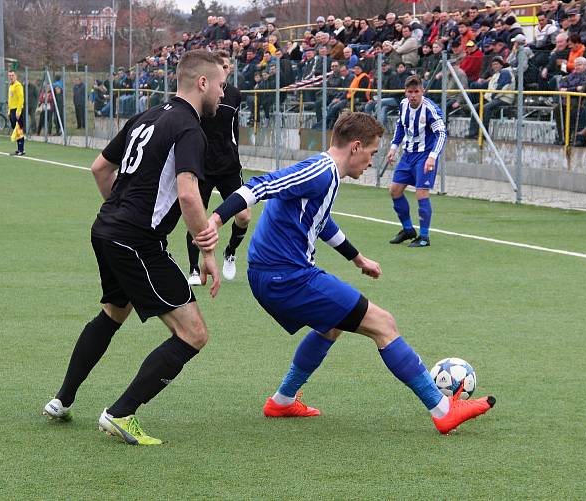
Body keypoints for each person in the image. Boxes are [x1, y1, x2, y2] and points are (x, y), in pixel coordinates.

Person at [204, 111, 494, 435]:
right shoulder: (319, 171)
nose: (372, 162)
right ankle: (442, 410)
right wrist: (215, 220)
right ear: (356, 147)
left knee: (332, 326)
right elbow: (261, 185)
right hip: (285, 276)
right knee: (383, 324)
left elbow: (320, 221)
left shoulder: (327, 175)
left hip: (277, 274)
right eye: (371, 153)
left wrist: (358, 259)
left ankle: (283, 400)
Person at [41, 50, 226, 446]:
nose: (223, 94)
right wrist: (207, 249)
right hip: (135, 239)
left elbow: (99, 168)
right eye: (221, 85)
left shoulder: (147, 116)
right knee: (194, 334)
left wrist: (120, 210)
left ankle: (62, 399)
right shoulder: (189, 127)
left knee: (113, 312)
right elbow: (189, 195)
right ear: (202, 83)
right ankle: (121, 413)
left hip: (106, 229)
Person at [186, 51, 251, 285]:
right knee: (197, 215)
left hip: (228, 165)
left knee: (243, 216)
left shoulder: (234, 94)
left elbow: (234, 130)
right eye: (221, 65)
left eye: (228, 66)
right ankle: (194, 268)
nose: (225, 69)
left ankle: (230, 252)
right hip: (202, 164)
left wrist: (235, 153)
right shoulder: (201, 93)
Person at [386, 76, 447, 248]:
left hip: (424, 155)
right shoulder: (404, 105)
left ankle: (424, 237)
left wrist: (433, 156)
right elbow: (400, 126)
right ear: (405, 92)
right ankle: (408, 229)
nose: (413, 95)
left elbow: (441, 134)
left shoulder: (430, 109)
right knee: (395, 191)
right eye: (410, 92)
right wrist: (393, 147)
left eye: (416, 92)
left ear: (422, 91)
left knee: (421, 193)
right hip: (408, 155)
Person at [7, 70, 25, 156]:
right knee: (16, 130)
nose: (11, 77)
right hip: (12, 110)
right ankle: (19, 149)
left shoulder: (18, 85)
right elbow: (11, 100)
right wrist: (9, 110)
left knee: (19, 129)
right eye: (9, 75)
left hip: (17, 110)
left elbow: (21, 99)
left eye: (12, 75)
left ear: (16, 76)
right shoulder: (11, 86)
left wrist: (18, 111)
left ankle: (21, 149)